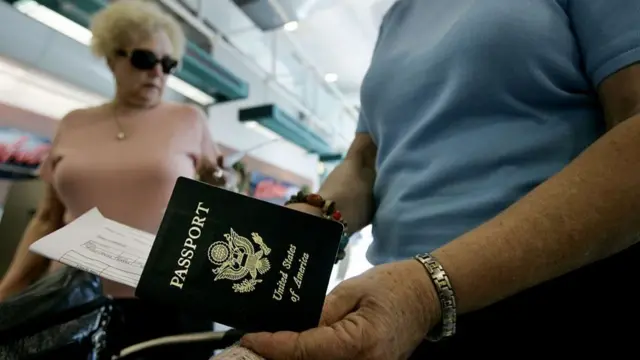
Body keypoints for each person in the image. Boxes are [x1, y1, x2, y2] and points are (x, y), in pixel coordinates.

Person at [240, 0, 640, 358]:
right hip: (392, 311)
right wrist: (307, 219)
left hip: (541, 292)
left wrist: (426, 291)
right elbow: (365, 161)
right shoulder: (396, 17)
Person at [0, 0, 224, 345]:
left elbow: (218, 199)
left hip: (168, 299)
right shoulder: (73, 123)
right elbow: (47, 217)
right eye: (145, 59)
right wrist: (9, 288)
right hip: (73, 297)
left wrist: (219, 183)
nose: (158, 73)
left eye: (168, 64)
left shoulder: (189, 120)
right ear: (111, 58)